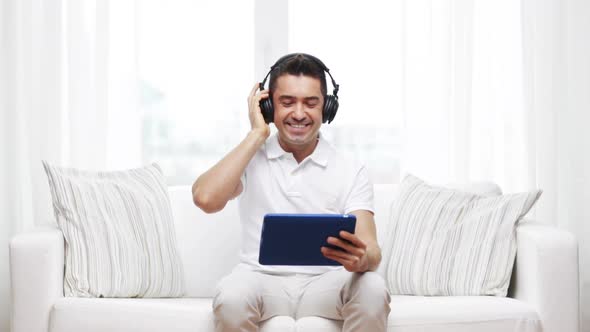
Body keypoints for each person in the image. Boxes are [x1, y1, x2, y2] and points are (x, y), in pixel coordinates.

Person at [192, 53, 391, 332]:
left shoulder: (350, 168)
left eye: (311, 103)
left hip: (326, 283)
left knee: (372, 287)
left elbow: (372, 250)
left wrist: (362, 260)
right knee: (231, 296)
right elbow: (205, 198)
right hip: (260, 280)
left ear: (327, 107)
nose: (299, 113)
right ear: (269, 106)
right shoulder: (249, 157)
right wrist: (256, 134)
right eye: (287, 102)